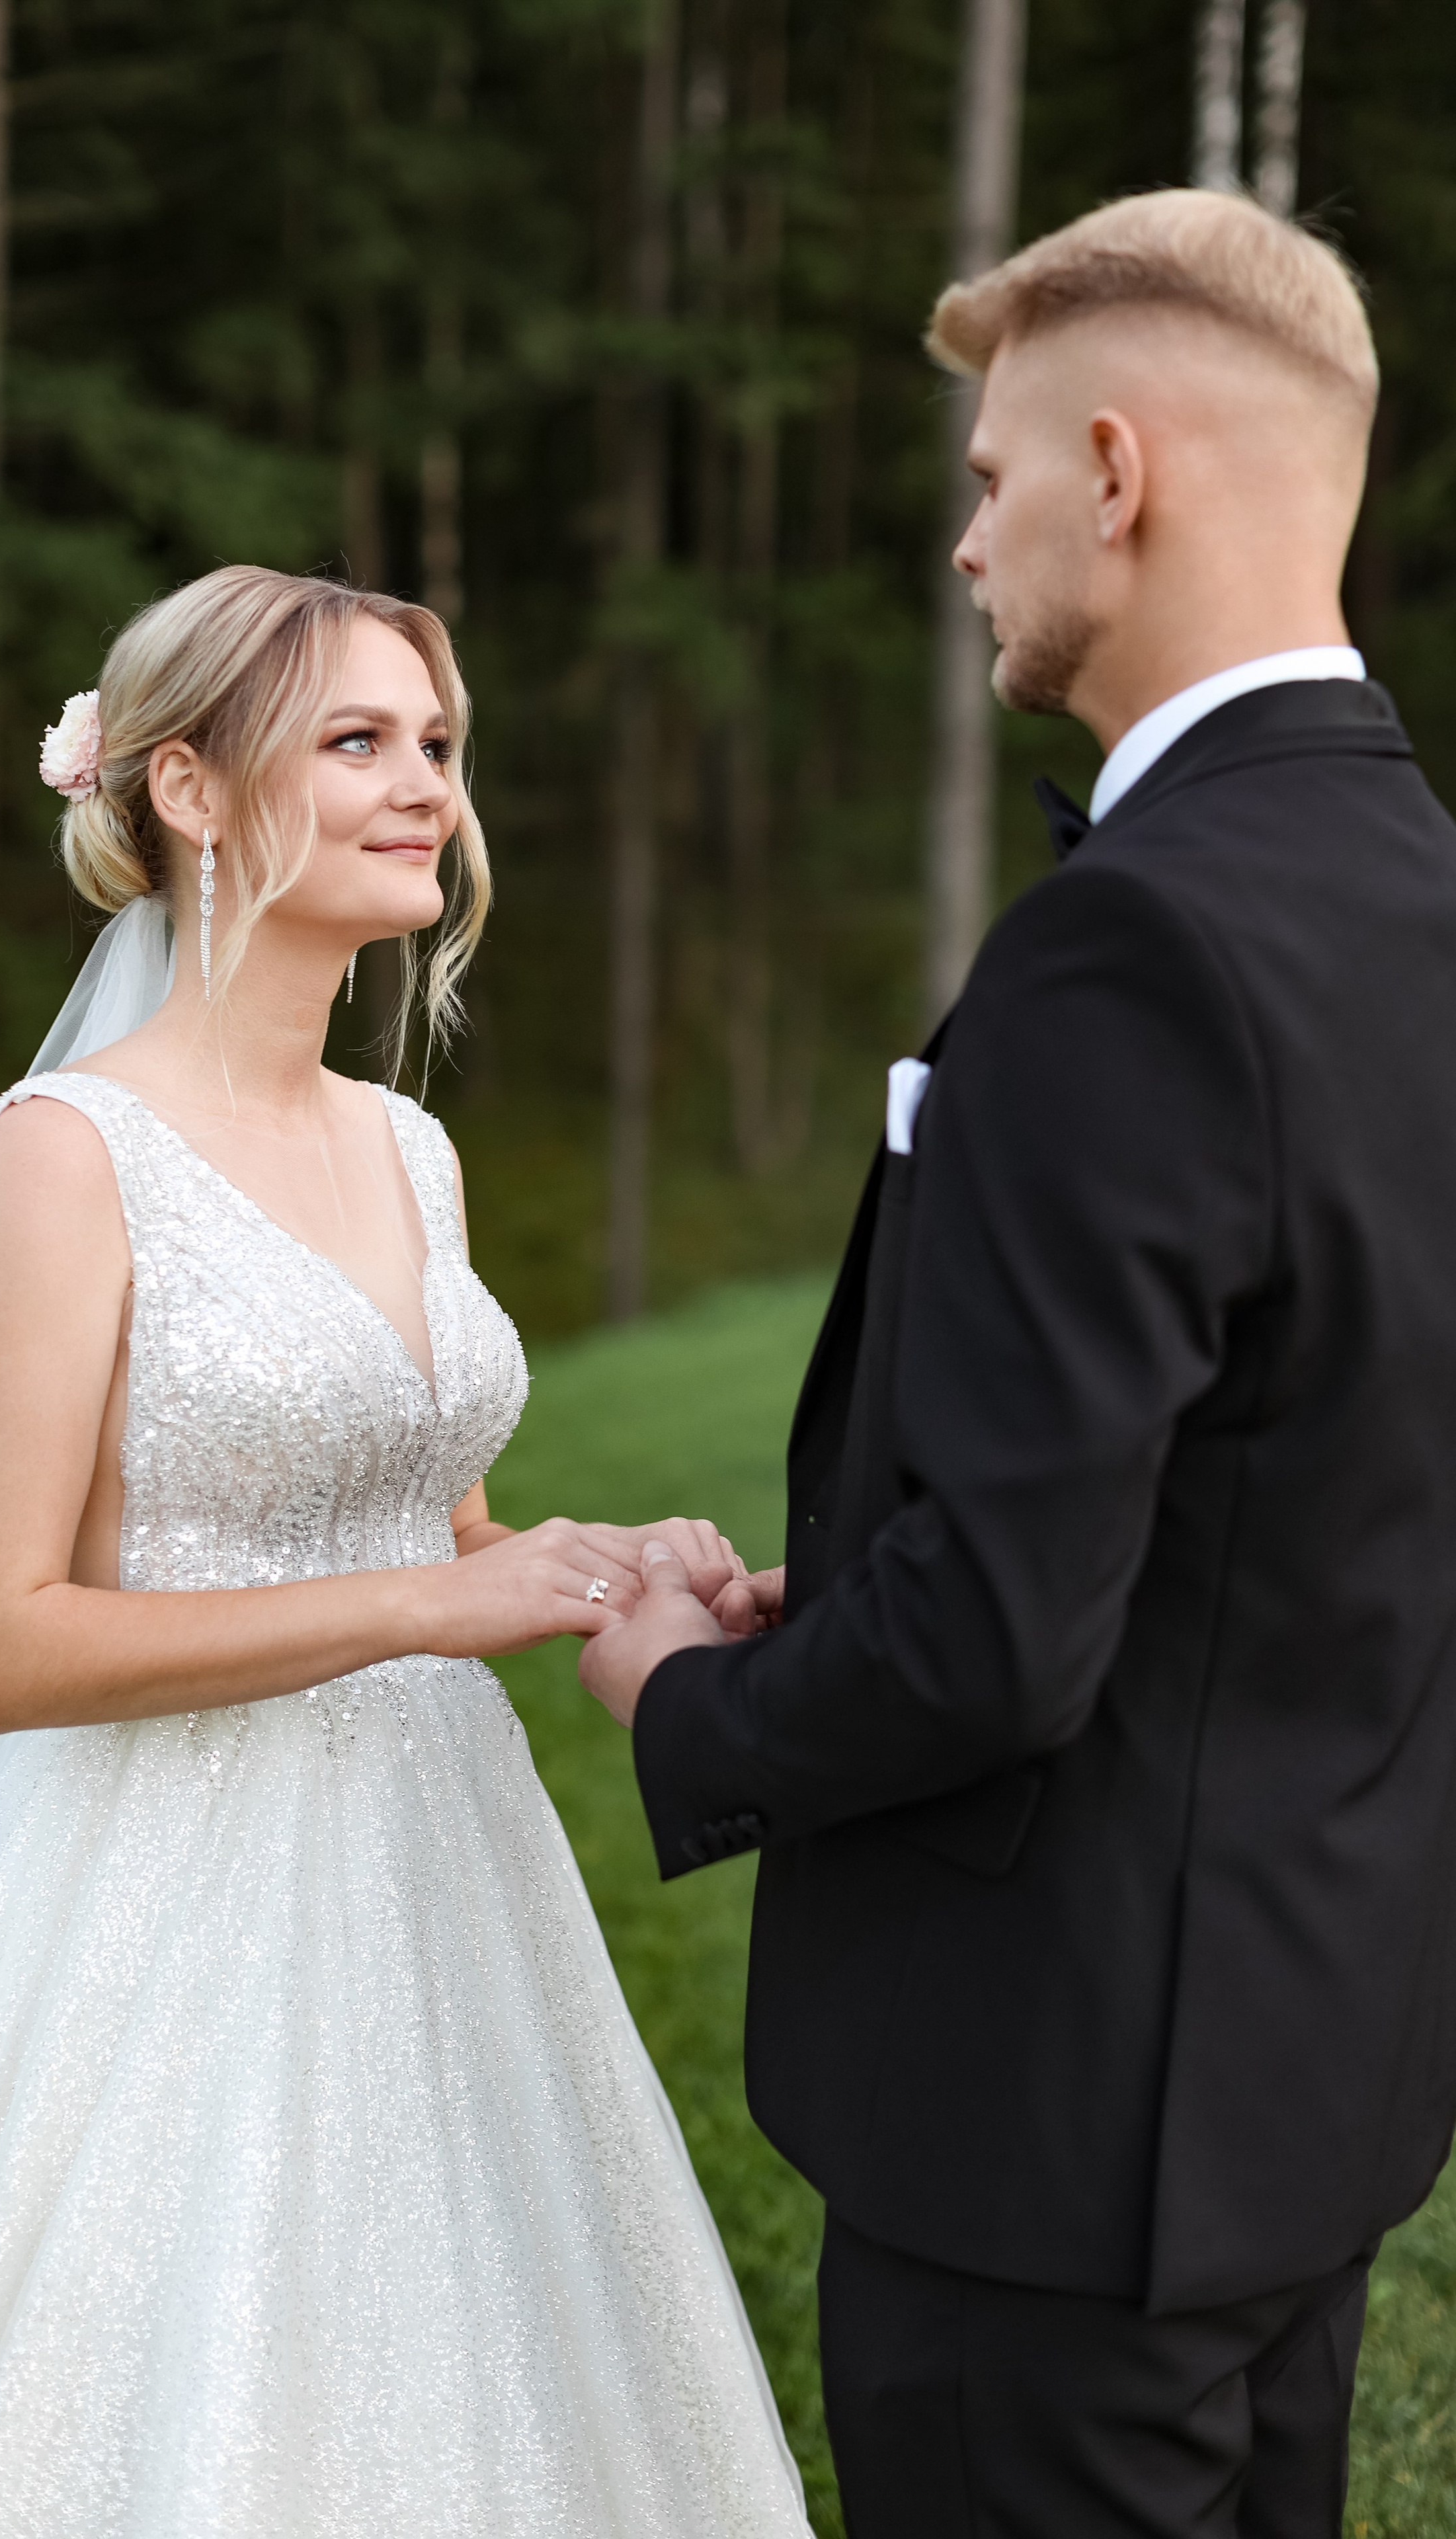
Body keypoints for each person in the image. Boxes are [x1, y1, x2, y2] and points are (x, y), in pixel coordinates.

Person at [0, 566, 812, 2538]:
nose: (426, 787)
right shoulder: (71, 1149)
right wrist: (435, 1598)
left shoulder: (410, 1146)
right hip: (153, 1906)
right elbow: (10, 1643)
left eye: (438, 743)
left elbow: (438, 1522)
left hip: (440, 1872)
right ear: (187, 788)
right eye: (358, 741)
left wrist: (595, 1565)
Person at [583, 188, 1456, 2538]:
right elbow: (1312, 1476)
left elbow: (997, 1635)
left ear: (1116, 471)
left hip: (1054, 2140)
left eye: (991, 481)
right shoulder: (1424, 901)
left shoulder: (1133, 946)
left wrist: (691, 1697)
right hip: (1316, 2086)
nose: (970, 543)